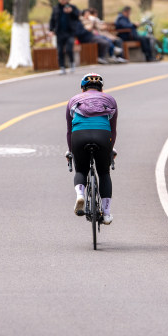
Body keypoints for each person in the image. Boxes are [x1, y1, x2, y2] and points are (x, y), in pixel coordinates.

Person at [66, 73, 118, 225]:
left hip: (79, 136)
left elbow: (69, 130)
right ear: (101, 89)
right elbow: (113, 130)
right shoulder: (110, 99)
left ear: (83, 88)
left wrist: (71, 151)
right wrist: (110, 149)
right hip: (103, 135)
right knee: (103, 172)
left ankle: (80, 194)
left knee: (81, 170)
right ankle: (107, 214)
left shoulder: (73, 100)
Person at [49, 0, 80, 74]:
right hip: (59, 32)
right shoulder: (56, 8)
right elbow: (52, 20)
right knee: (60, 50)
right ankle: (62, 67)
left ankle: (72, 63)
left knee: (69, 48)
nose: (64, 0)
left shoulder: (72, 7)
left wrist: (71, 12)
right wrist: (51, 30)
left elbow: (78, 16)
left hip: (70, 32)